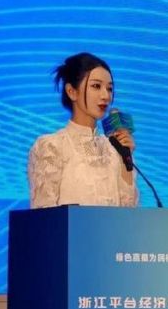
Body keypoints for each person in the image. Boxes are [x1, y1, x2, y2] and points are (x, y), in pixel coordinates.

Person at [28, 52, 138, 208]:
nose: (105, 96)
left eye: (109, 88)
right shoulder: (52, 146)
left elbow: (128, 215)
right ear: (72, 91)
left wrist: (125, 159)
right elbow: (44, 215)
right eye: (96, 86)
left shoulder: (114, 149)